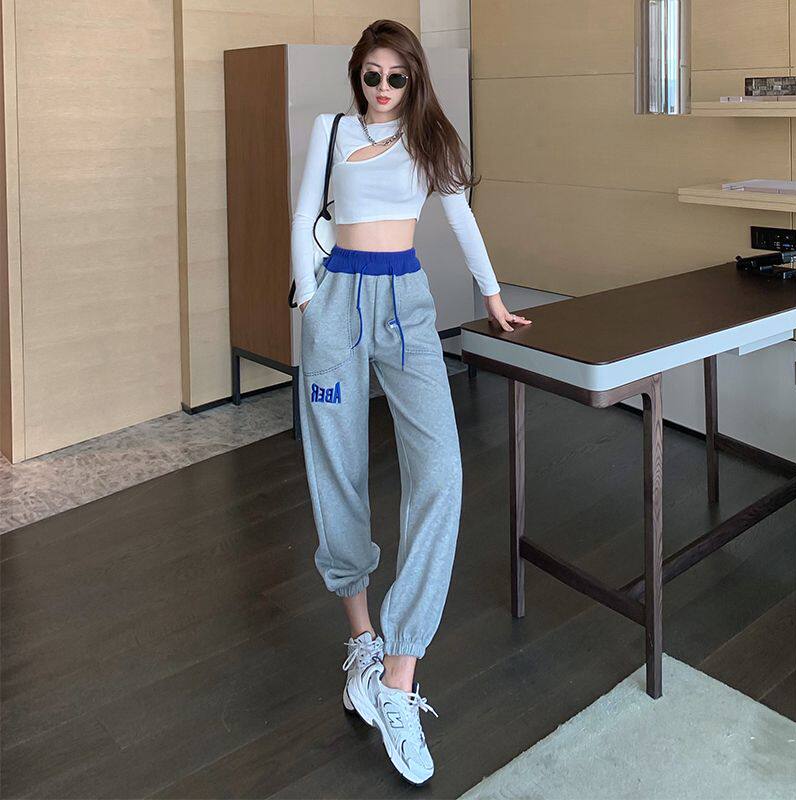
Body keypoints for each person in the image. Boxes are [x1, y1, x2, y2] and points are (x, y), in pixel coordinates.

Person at [291, 19, 531, 786]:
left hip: (406, 306)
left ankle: (400, 676)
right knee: (337, 469)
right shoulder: (331, 130)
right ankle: (362, 643)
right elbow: (304, 214)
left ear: (415, 78)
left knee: (441, 473)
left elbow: (459, 218)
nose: (385, 89)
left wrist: (492, 296)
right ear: (358, 76)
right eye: (373, 75)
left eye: (398, 76)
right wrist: (309, 301)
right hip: (336, 302)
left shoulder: (433, 139)